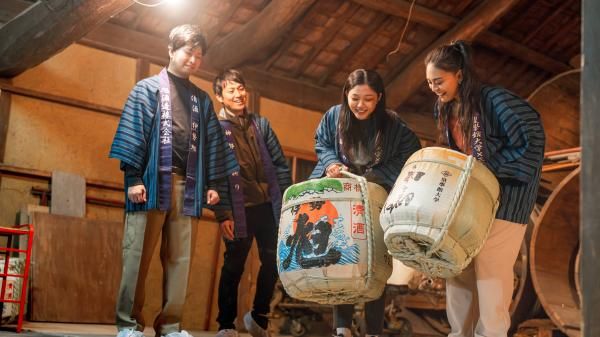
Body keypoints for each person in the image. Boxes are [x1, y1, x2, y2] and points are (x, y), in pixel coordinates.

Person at [109, 25, 238, 337]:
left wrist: (212, 186)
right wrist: (134, 178)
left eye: (198, 56)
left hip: (188, 185)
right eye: (187, 52)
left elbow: (213, 146)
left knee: (180, 259)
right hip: (150, 182)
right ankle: (129, 324)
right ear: (170, 50)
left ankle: (170, 326)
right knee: (136, 254)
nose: (193, 60)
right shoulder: (147, 89)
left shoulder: (202, 101)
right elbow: (133, 134)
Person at [424, 40, 545, 337]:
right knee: (459, 267)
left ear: (460, 75)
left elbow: (533, 136)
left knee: (492, 271)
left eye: (439, 81)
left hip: (507, 200)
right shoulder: (445, 109)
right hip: (472, 202)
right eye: (429, 83)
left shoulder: (494, 100)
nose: (435, 88)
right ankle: (460, 333)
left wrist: (490, 168)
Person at [310, 68, 421, 337]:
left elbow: (410, 152)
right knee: (341, 258)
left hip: (375, 196)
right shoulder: (334, 116)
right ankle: (342, 328)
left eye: (369, 99)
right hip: (342, 195)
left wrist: (378, 175)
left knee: (375, 262)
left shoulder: (392, 123)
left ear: (379, 98)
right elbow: (322, 143)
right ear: (346, 94)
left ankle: (373, 330)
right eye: (355, 98)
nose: (361, 105)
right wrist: (330, 163)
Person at [212, 69, 292, 337]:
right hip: (238, 208)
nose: (239, 94)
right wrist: (222, 214)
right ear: (219, 96)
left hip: (267, 205)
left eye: (241, 88)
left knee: (274, 261)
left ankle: (258, 317)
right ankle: (226, 323)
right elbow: (213, 172)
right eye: (231, 90)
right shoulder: (215, 129)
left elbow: (280, 164)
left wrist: (285, 202)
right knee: (234, 265)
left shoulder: (261, 124)